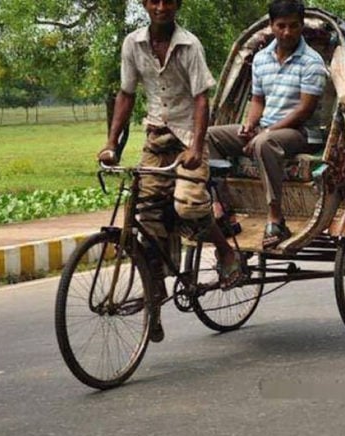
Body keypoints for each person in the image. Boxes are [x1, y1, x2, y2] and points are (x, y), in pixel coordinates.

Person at [97, 0, 242, 342]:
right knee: (146, 215)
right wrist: (110, 143)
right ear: (145, 4)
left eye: (168, 0)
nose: (161, 7)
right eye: (154, 0)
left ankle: (224, 248)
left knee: (189, 206)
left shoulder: (190, 45)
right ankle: (155, 293)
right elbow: (126, 94)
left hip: (189, 137)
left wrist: (196, 147)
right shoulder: (133, 43)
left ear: (177, 4)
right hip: (155, 138)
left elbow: (202, 100)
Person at [206, 0, 327, 249]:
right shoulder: (261, 59)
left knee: (264, 142)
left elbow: (304, 109)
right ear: (271, 26)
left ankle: (276, 218)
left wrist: (266, 131)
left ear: (301, 26)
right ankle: (223, 207)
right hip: (267, 129)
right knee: (209, 136)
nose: (287, 32)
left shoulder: (312, 62)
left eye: (293, 26)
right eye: (281, 26)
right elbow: (257, 100)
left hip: (301, 133)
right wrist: (249, 124)